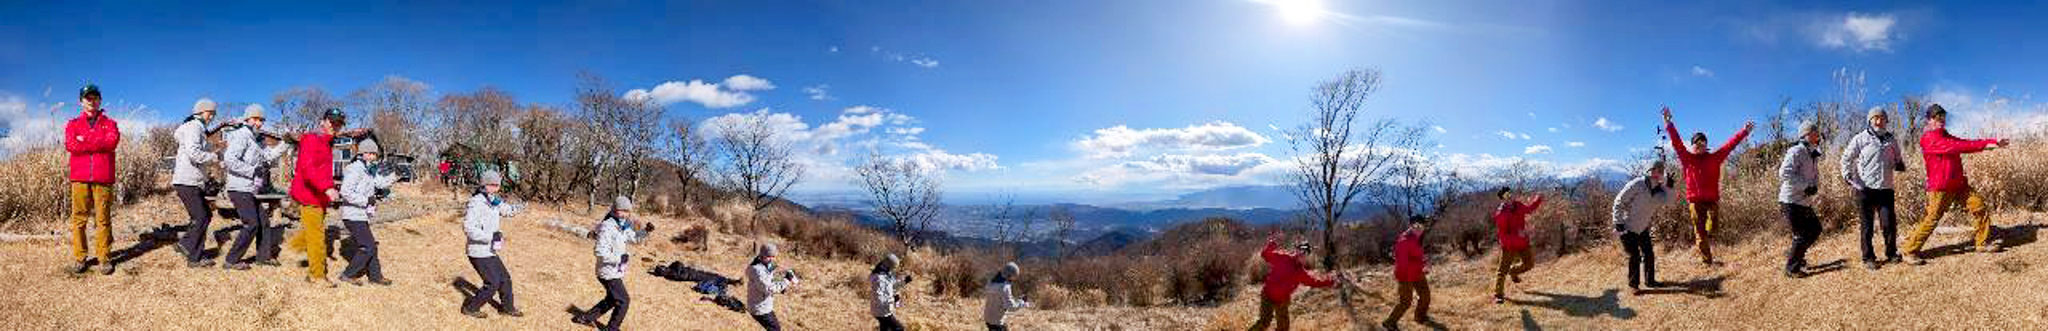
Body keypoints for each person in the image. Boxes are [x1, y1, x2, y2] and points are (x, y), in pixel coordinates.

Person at [1901, 104, 2010, 265]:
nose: (1941, 120)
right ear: (1929, 120)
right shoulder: (1929, 139)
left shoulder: (1946, 136)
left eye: (1943, 117)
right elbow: (1961, 146)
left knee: (1979, 207)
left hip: (1959, 185)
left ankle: (1982, 243)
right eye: (1937, 117)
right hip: (1941, 188)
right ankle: (1909, 250)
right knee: (1932, 219)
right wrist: (1987, 146)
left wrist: (1992, 142)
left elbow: (1967, 142)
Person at [1663, 107, 1754, 266]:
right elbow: (1676, 142)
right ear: (1692, 146)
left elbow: (1729, 145)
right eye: (1697, 144)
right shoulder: (1687, 158)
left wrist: (1744, 132)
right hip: (1695, 202)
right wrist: (1668, 123)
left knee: (1713, 228)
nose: (1700, 146)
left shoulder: (1714, 158)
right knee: (1700, 234)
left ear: (1706, 145)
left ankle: (1707, 237)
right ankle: (1707, 261)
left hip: (1712, 201)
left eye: (1703, 143)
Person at [222, 105, 289, 270]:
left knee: (263, 222)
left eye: (261, 120)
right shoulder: (241, 136)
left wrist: (286, 144)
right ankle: (231, 260)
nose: (259, 123)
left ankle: (263, 257)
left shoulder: (256, 138)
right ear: (247, 119)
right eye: (256, 119)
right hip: (238, 187)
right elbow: (230, 160)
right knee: (251, 224)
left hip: (249, 188)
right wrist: (253, 170)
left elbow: (268, 156)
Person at [64, 84, 121, 275]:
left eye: (95, 97)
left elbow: (111, 142)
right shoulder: (72, 124)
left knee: (103, 218)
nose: (91, 101)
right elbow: (71, 145)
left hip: (103, 177)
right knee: (79, 218)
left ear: (100, 100)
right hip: (79, 178)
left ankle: (104, 257)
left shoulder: (110, 123)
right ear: (81, 101)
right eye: (88, 98)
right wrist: (98, 141)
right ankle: (80, 258)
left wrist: (85, 140)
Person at [574, 196, 655, 331]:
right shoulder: (608, 226)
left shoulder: (622, 225)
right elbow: (599, 252)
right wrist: (620, 258)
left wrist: (645, 231)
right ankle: (612, 328)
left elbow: (634, 238)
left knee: (612, 299)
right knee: (623, 301)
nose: (623, 213)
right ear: (614, 210)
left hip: (615, 270)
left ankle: (585, 318)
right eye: (620, 210)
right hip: (607, 272)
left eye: (626, 211)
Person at [1841, 108, 1908, 270]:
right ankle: (1868, 257)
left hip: (1886, 188)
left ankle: (1891, 253)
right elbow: (1846, 157)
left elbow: (1897, 158)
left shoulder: (1891, 140)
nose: (1879, 121)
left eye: (1882, 118)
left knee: (1888, 224)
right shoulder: (1860, 138)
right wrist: (1848, 176)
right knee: (1867, 225)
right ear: (1870, 120)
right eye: (1875, 118)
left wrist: (1899, 164)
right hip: (1865, 189)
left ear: (1886, 121)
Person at [288, 108, 346, 287]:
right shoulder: (313, 140)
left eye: (338, 123)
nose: (334, 126)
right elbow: (307, 169)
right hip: (309, 195)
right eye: (331, 121)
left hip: (319, 196)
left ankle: (293, 247)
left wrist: (331, 188)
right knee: (317, 237)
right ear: (323, 121)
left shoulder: (328, 143)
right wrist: (327, 188)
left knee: (314, 230)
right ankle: (317, 275)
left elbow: (322, 171)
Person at [338, 137, 400, 286]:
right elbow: (345, 192)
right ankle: (348, 274)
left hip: (361, 214)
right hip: (352, 214)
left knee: (371, 245)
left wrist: (394, 176)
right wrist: (366, 200)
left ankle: (375, 276)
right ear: (363, 153)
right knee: (368, 246)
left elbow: (378, 184)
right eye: (371, 153)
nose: (374, 157)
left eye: (375, 154)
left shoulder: (367, 170)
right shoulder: (355, 169)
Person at [461, 170, 522, 318]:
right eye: (491, 184)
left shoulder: (493, 199)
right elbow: (468, 227)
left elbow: (506, 210)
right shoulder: (476, 202)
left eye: (497, 185)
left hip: (490, 250)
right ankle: (471, 308)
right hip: (478, 250)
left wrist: (519, 208)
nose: (495, 187)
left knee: (505, 279)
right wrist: (489, 237)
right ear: (484, 184)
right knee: (493, 282)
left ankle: (507, 308)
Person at [1612, 160, 1677, 294]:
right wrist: (1617, 222)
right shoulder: (1638, 184)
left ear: (1662, 173)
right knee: (1634, 255)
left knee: (1649, 254)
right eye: (1653, 170)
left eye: (1659, 171)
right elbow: (1619, 200)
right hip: (1627, 227)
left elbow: (1671, 203)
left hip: (1643, 228)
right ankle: (1633, 285)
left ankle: (1650, 281)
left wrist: (1670, 187)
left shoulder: (1661, 190)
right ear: (1648, 171)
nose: (1656, 173)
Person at [1248, 233, 1337, 331]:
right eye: (1301, 252)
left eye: (1305, 254)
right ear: (1297, 251)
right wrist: (1271, 244)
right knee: (1264, 322)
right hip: (1268, 295)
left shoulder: (1301, 272)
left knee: (1284, 328)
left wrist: (1331, 280)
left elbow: (1315, 282)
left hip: (1282, 300)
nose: (1302, 256)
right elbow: (1265, 255)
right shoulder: (1283, 257)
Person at [172, 98, 222, 268]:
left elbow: (197, 153)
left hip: (192, 180)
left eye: (213, 114)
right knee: (201, 217)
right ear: (199, 112)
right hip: (187, 180)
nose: (211, 117)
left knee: (205, 216)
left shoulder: (197, 128)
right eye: (209, 113)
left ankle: (185, 244)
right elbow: (194, 153)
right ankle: (194, 257)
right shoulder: (194, 127)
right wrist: (213, 157)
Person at [1779, 123, 1825, 278]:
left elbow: (1812, 175)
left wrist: (1814, 186)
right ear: (1805, 135)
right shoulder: (1796, 150)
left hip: (1803, 201)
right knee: (1801, 234)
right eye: (1814, 132)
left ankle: (1796, 254)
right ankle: (1791, 269)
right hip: (1790, 200)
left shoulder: (1812, 153)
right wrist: (1806, 186)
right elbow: (1784, 173)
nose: (1817, 135)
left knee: (1815, 229)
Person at [1490, 187, 1544, 304]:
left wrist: (1538, 199)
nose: (1510, 196)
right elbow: (1503, 234)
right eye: (1507, 195)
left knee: (1529, 264)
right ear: (1502, 198)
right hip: (1509, 245)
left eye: (1510, 193)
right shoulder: (1501, 213)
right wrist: (1517, 235)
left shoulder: (1518, 205)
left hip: (1522, 242)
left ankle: (1513, 271)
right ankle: (1498, 295)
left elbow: (1529, 209)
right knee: (1502, 271)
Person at [1382, 216, 1435, 331]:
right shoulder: (1404, 241)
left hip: (1417, 272)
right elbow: (1403, 264)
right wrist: (1422, 266)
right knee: (1405, 302)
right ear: (1411, 226)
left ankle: (1420, 317)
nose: (1420, 229)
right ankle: (1390, 323)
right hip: (1405, 275)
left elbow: (1415, 255)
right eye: (1416, 226)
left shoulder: (1416, 237)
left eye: (1422, 226)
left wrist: (1424, 260)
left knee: (1425, 296)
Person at [746, 243, 800, 330]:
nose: (772, 259)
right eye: (769, 256)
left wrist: (781, 281)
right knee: (775, 328)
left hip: (764, 304)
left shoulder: (765, 263)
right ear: (762, 255)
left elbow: (771, 277)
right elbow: (768, 288)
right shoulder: (758, 270)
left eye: (773, 256)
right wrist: (785, 281)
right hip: (759, 308)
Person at [982, 262, 1031, 331]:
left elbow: (999, 299)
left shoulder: (991, 282)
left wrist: (1016, 300)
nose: (1014, 279)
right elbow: (1011, 307)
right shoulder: (1005, 287)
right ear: (1010, 275)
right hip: (997, 322)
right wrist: (1022, 303)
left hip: (988, 318)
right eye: (1014, 276)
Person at [870, 253, 912, 331]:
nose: (893, 269)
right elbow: (878, 298)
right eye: (893, 267)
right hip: (882, 312)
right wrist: (893, 299)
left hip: (884, 310)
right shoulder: (878, 278)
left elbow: (892, 286)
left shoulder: (885, 274)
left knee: (886, 328)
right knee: (899, 328)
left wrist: (904, 281)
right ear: (889, 265)